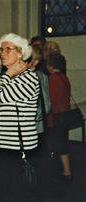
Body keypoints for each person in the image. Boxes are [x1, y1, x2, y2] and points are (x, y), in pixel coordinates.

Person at [0, 33, 40, 202]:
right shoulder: (12, 77)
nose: (2, 53)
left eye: (8, 49)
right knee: (4, 193)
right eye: (1, 49)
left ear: (21, 53)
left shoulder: (28, 79)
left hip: (18, 150)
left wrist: (7, 75)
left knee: (16, 195)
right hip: (5, 147)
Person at [46, 52, 72, 181]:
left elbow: (51, 100)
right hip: (65, 114)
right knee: (63, 144)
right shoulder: (64, 78)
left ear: (50, 66)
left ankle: (64, 172)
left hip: (55, 116)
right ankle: (66, 171)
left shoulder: (53, 78)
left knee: (56, 145)